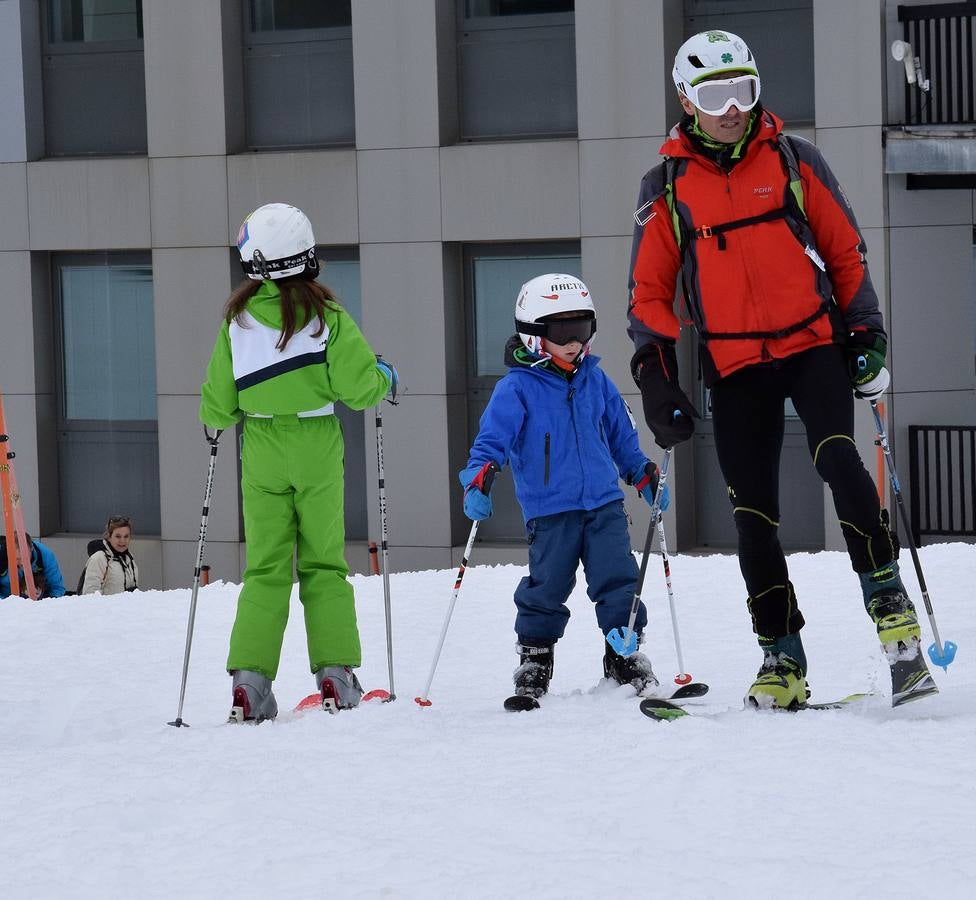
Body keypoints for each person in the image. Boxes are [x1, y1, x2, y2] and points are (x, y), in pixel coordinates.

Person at [626, 30, 937, 708]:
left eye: (743, 90)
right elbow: (648, 293)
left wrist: (867, 334)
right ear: (686, 99)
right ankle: (781, 658)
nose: (732, 107)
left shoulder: (796, 161)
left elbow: (845, 250)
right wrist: (655, 376)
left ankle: (893, 619)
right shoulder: (668, 186)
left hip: (811, 347)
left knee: (838, 460)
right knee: (752, 515)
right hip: (734, 365)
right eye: (715, 95)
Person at [200, 202, 397, 723]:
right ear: (307, 258)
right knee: (323, 563)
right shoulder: (328, 318)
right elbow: (360, 389)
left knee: (265, 567)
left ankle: (250, 682)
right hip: (315, 441)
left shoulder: (237, 322)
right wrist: (384, 377)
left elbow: (218, 406)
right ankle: (335, 675)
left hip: (261, 446)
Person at [460, 273, 669, 704]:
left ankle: (623, 653)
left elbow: (621, 437)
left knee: (618, 578)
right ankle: (535, 659)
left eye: (582, 329)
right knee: (547, 585)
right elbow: (491, 442)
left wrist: (642, 473)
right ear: (535, 335)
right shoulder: (515, 388)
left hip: (605, 504)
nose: (575, 342)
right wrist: (478, 477)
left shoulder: (597, 380)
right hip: (550, 509)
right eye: (562, 332)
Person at [80, 515, 139, 595]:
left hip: (126, 607)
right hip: (108, 607)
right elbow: (90, 595)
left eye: (126, 536)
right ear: (109, 536)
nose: (122, 541)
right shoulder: (99, 558)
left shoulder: (129, 558)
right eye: (118, 536)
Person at [0, 533, 66, 599]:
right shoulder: (2, 557)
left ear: (32, 548)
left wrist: (45, 601)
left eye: (25, 557)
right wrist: (8, 604)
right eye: (17, 559)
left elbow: (57, 588)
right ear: (8, 552)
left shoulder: (44, 555)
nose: (22, 562)